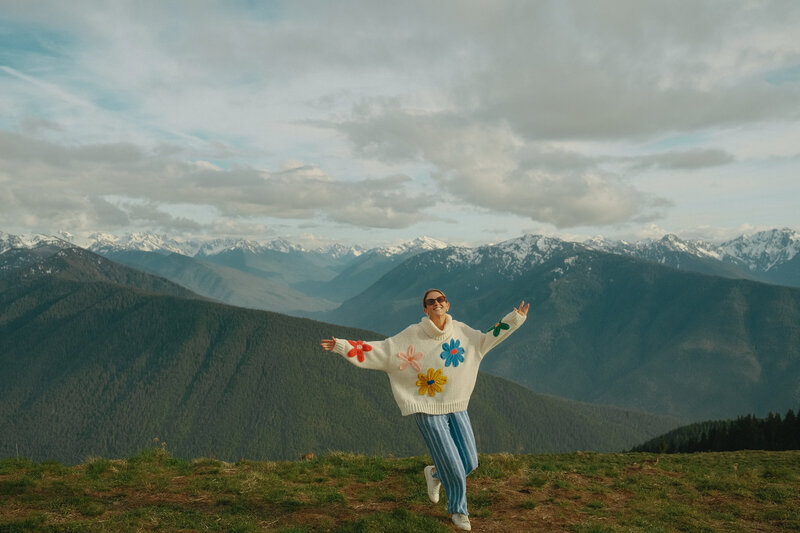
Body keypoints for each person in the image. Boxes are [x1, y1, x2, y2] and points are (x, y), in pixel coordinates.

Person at [320, 288, 529, 531]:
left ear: (447, 304)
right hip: (427, 409)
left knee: (470, 462)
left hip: (457, 405)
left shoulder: (462, 332)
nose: (436, 303)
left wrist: (514, 319)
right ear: (425, 309)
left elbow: (488, 338)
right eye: (431, 301)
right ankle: (459, 511)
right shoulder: (413, 335)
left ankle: (435, 473)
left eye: (440, 299)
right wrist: (343, 346)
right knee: (453, 464)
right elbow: (383, 351)